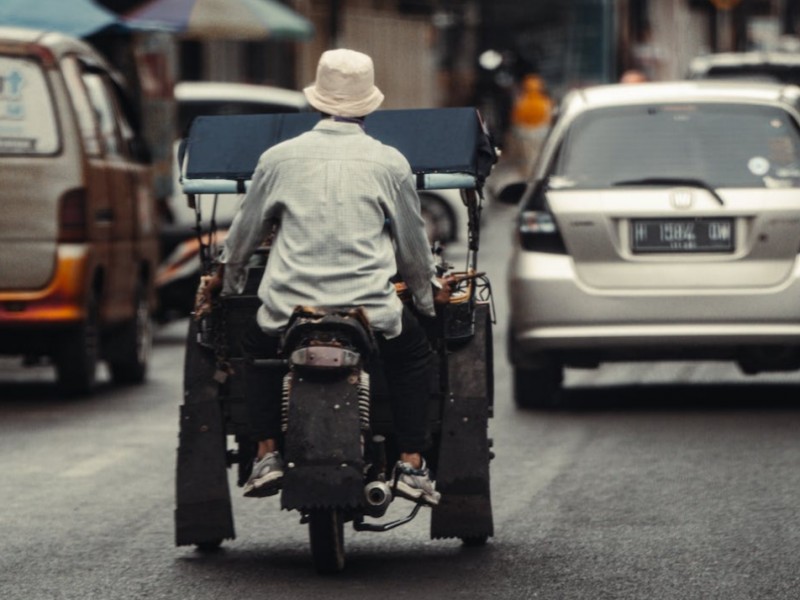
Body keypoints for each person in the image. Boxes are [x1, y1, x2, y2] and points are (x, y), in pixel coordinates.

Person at [199, 49, 449, 506]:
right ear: (369, 106)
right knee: (413, 354)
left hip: (287, 310)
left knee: (254, 348)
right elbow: (413, 250)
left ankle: (266, 452)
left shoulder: (278, 158)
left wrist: (229, 287)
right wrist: (427, 302)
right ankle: (411, 463)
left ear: (316, 101)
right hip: (370, 310)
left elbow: (242, 237)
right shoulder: (390, 163)